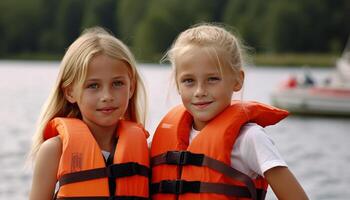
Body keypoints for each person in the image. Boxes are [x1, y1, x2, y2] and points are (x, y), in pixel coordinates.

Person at [150, 24, 308, 200]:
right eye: (189, 81)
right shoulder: (163, 136)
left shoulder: (250, 138)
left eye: (213, 79)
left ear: (237, 80)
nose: (200, 91)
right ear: (177, 84)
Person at [29, 27, 150, 200]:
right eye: (93, 86)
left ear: (131, 87)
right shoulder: (53, 151)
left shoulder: (145, 150)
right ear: (70, 92)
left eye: (117, 83)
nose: (107, 96)